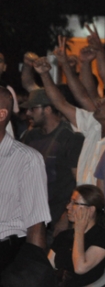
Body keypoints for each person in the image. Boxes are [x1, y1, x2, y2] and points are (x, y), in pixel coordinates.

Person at [32, 56, 105, 185]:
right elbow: (60, 103)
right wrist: (45, 75)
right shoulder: (93, 124)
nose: (101, 101)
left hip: (104, 203)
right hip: (82, 202)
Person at [20, 89, 84, 243]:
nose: (28, 113)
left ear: (48, 109)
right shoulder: (30, 136)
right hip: (32, 218)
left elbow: (79, 181)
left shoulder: (70, 138)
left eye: (33, 109)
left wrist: (65, 217)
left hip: (56, 217)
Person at [0, 86, 51, 278]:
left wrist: (32, 275)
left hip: (7, 258)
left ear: (2, 114)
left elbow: (36, 223)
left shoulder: (26, 159)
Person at [48, 185, 105, 286]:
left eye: (74, 203)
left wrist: (79, 230)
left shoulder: (102, 237)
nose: (68, 207)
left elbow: (80, 268)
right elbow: (48, 266)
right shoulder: (64, 236)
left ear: (90, 210)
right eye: (70, 202)